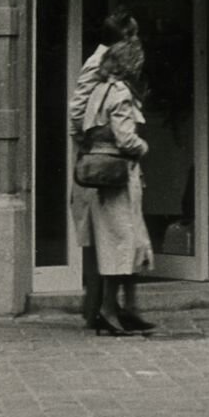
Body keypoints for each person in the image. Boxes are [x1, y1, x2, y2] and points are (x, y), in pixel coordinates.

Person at [70, 37, 154, 336]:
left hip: (101, 176)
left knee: (116, 243)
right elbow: (126, 138)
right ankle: (108, 310)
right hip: (118, 177)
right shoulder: (120, 94)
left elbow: (80, 123)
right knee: (122, 243)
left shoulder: (98, 90)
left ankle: (119, 309)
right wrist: (143, 147)